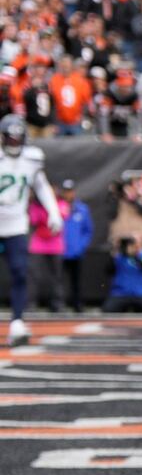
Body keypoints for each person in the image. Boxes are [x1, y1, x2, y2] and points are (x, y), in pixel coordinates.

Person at [0, 117, 61, 344]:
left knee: (19, 271)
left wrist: (53, 211)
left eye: (17, 139)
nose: (14, 143)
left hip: (16, 224)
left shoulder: (31, 159)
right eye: (10, 138)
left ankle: (17, 321)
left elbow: (41, 185)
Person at [28, 180, 68, 312]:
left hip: (55, 245)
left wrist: (50, 208)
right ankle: (31, 303)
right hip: (38, 245)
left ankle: (57, 304)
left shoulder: (61, 203)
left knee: (56, 276)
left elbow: (60, 219)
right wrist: (36, 204)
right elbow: (33, 220)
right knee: (33, 275)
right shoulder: (36, 206)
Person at [59, 180, 92, 312]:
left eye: (70, 191)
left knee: (76, 280)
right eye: (66, 191)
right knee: (58, 280)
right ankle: (58, 305)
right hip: (60, 251)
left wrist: (81, 246)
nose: (68, 194)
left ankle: (77, 305)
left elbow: (88, 230)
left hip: (76, 252)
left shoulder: (82, 209)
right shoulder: (57, 207)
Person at [103, 238, 142, 313]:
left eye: (132, 244)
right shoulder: (118, 257)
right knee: (108, 309)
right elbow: (108, 271)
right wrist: (113, 256)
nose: (129, 247)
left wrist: (136, 254)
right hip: (120, 293)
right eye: (127, 245)